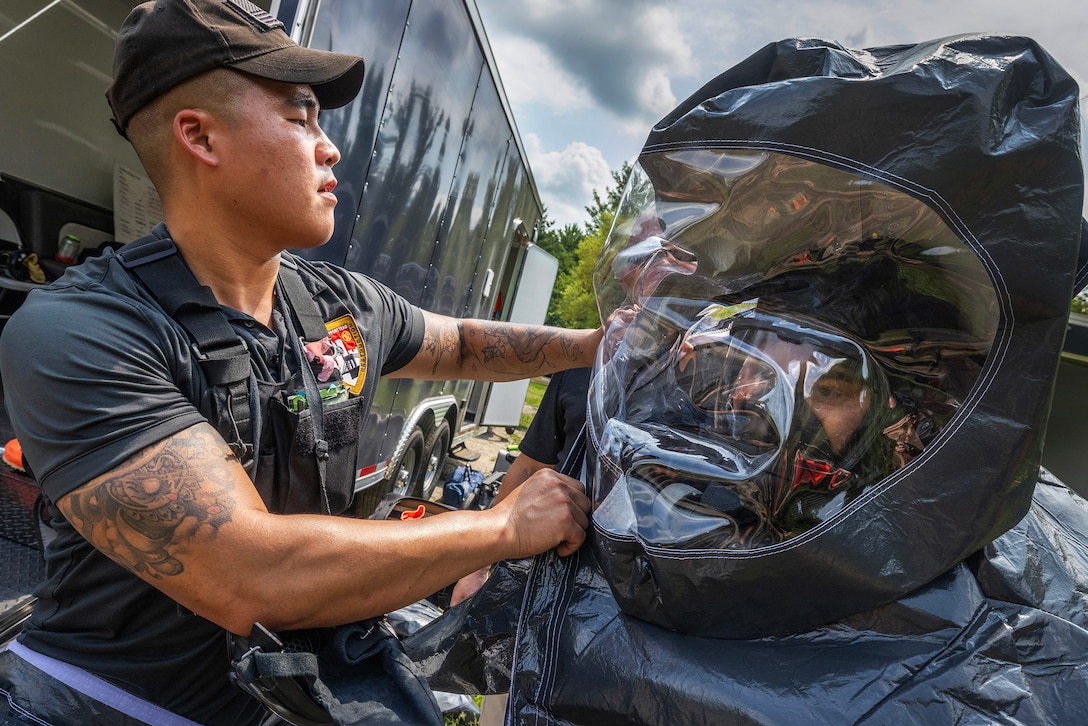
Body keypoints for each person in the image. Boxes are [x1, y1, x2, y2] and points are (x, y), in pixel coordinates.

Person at [0, 1, 598, 723]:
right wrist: (505, 527)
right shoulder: (83, 329)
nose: (329, 146)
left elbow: (467, 345)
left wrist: (599, 344)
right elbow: (253, 574)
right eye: (300, 116)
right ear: (200, 136)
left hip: (274, 699)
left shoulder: (336, 303)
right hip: (99, 705)